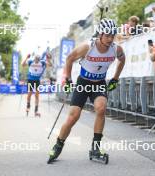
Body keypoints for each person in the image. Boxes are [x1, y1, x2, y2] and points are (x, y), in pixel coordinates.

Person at [47, 18, 125, 164]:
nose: (110, 38)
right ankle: (58, 145)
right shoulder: (87, 47)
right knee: (73, 117)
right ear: (100, 34)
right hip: (83, 83)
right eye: (107, 35)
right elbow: (69, 59)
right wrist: (68, 80)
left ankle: (95, 148)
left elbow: (123, 60)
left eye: (112, 35)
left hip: (99, 84)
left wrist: (115, 79)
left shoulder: (116, 49)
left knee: (101, 109)